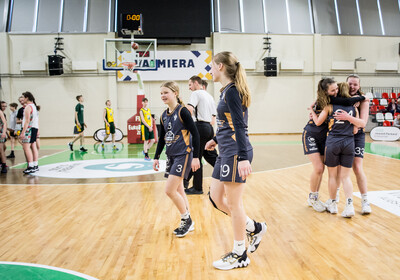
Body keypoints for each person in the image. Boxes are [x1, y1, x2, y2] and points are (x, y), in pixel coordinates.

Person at [205, 52, 267, 270]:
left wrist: (242, 158)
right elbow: (227, 123)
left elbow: (240, 126)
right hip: (225, 151)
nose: (210, 71)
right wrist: (214, 139)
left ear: (220, 66)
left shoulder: (232, 92)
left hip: (235, 153)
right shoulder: (225, 91)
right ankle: (255, 227)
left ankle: (240, 253)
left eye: (211, 67)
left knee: (233, 203)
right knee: (215, 198)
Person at [304, 78, 366, 212]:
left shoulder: (335, 102)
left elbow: (346, 102)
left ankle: (333, 201)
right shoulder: (322, 102)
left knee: (330, 172)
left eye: (337, 89)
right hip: (312, 134)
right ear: (325, 91)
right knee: (320, 168)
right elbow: (357, 126)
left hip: (329, 139)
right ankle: (314, 197)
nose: (335, 92)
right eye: (333, 90)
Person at [153, 81, 200, 237]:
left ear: (175, 93)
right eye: (161, 93)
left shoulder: (183, 111)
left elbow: (196, 134)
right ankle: (189, 221)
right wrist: (156, 157)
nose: (163, 96)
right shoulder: (163, 116)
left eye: (166, 92)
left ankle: (185, 219)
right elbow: (161, 139)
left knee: (169, 190)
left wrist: (196, 157)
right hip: (171, 156)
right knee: (179, 189)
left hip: (183, 154)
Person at [342, 74, 371, 214]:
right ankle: (337, 201)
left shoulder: (364, 100)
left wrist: (353, 115)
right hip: (342, 134)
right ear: (346, 84)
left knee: (358, 168)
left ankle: (365, 201)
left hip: (357, 135)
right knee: (340, 170)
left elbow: (363, 123)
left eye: (355, 84)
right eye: (350, 84)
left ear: (359, 86)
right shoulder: (341, 97)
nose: (352, 86)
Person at [185, 75, 218, 195]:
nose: (189, 88)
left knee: (196, 158)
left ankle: (197, 188)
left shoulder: (196, 93)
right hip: (209, 128)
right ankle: (226, 174)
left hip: (199, 127)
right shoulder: (209, 96)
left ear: (195, 83)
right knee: (212, 157)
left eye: (190, 85)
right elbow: (214, 117)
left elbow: (189, 108)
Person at [19, 92, 39, 174]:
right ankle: (35, 165)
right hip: (34, 128)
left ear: (27, 98)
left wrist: (23, 132)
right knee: (33, 147)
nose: (22, 99)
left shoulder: (28, 107)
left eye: (23, 97)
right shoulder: (34, 106)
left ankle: (30, 166)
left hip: (29, 129)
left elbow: (27, 121)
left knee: (26, 148)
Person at [0, 102, 7, 173]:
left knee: (1, 149)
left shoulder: (0, 112)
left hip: (0, 133)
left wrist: (4, 132)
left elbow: (5, 122)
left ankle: (4, 165)